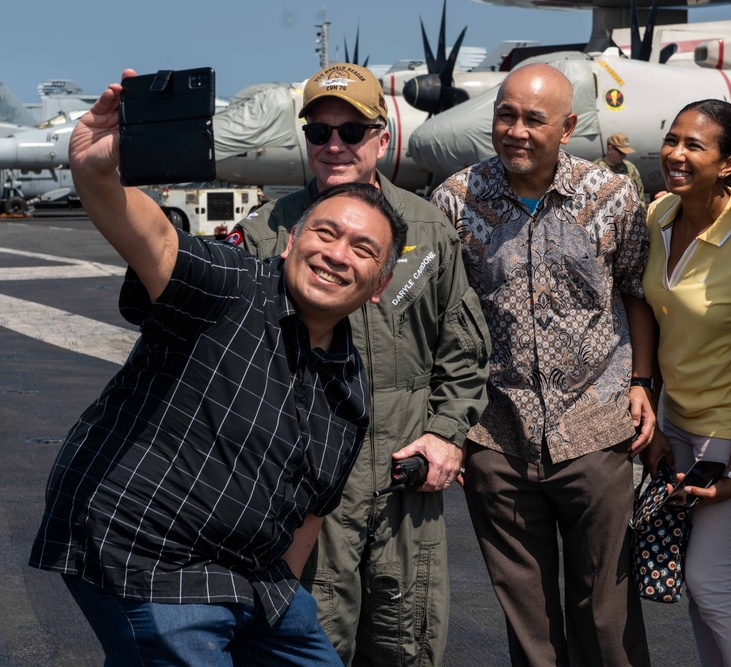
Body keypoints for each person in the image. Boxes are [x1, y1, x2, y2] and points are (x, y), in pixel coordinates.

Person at [29, 69, 407, 666]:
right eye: (326, 234)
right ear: (288, 244)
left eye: (363, 250)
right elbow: (151, 236)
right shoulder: (230, 284)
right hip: (142, 553)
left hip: (250, 576)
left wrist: (276, 604)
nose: (337, 255)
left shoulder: (349, 393)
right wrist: (97, 171)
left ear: (381, 285)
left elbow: (309, 518)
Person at [227, 62, 490, 665]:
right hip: (303, 495)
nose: (335, 145)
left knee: (408, 641)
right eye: (319, 132)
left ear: (383, 137)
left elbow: (464, 349)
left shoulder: (426, 228)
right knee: (311, 642)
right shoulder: (268, 232)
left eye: (352, 131)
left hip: (404, 484)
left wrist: (447, 436)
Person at [432, 63, 656, 667]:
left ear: (567, 128)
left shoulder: (612, 196)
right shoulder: (455, 202)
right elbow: (439, 321)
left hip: (596, 429)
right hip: (495, 436)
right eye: (506, 114)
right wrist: (449, 429)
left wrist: (641, 382)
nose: (517, 131)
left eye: (535, 119)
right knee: (529, 627)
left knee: (607, 618)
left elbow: (635, 291)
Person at [640, 99, 731, 667]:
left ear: (729, 164)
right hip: (676, 417)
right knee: (698, 592)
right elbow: (646, 315)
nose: (675, 154)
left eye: (693, 146)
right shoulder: (659, 218)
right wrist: (650, 413)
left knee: (711, 579)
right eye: (672, 139)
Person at [596, 131, 645, 201]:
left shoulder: (629, 167)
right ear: (610, 149)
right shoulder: (595, 168)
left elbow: (639, 192)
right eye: (621, 152)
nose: (624, 156)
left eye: (625, 153)